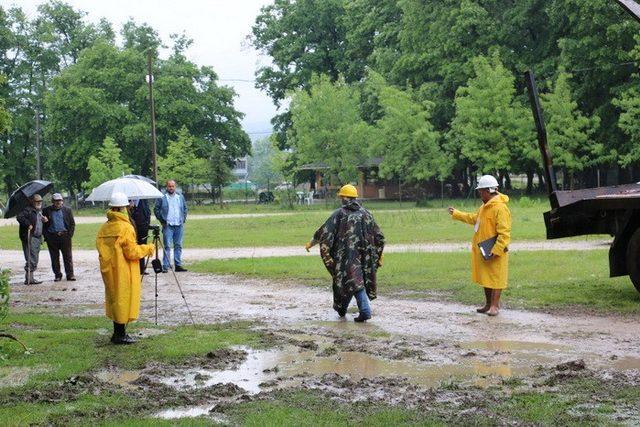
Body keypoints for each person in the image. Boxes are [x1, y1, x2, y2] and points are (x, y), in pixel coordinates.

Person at [305, 184, 385, 322]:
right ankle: (341, 309)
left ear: (345, 198)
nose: (341, 199)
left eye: (342, 197)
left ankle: (365, 311)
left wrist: (311, 243)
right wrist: (378, 254)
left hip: (346, 257)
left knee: (352, 281)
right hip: (365, 256)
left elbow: (324, 232)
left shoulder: (339, 214)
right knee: (352, 281)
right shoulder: (366, 214)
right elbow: (379, 237)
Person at [448, 175, 511, 316]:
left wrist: (496, 250)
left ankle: (495, 306)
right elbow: (474, 218)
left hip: (495, 250)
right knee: (486, 277)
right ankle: (488, 304)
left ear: (489, 190)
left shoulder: (500, 208)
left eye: (481, 191)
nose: (480, 193)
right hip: (484, 249)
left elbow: (504, 233)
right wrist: (457, 214)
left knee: (496, 278)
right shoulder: (484, 207)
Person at [96, 192, 155, 344]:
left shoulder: (104, 227)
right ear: (124, 208)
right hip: (123, 270)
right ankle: (120, 335)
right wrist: (148, 248)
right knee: (123, 299)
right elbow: (131, 252)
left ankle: (118, 332)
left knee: (115, 299)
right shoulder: (125, 227)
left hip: (109, 269)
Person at [154, 180, 188, 273]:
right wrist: (162, 220)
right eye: (169, 186)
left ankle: (178, 265)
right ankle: (166, 266)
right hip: (168, 225)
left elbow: (185, 208)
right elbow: (156, 209)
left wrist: (183, 218)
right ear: (166, 187)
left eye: (173, 186)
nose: (171, 188)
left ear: (175, 187)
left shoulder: (180, 196)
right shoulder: (162, 197)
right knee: (167, 246)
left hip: (179, 225)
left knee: (178, 245)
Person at [43, 193, 76, 281]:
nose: (58, 202)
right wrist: (47, 235)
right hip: (52, 237)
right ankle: (57, 275)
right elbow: (43, 224)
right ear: (52, 201)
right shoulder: (46, 210)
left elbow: (72, 224)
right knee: (54, 258)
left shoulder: (67, 210)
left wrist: (69, 235)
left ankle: (70, 275)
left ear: (62, 201)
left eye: (60, 200)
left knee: (68, 257)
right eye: (56, 201)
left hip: (65, 236)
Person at [16, 194, 47, 285]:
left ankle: (31, 278)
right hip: (30, 237)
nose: (39, 203)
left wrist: (44, 220)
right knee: (31, 257)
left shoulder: (39, 211)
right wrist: (28, 224)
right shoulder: (27, 210)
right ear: (32, 202)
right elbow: (19, 217)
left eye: (40, 201)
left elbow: (39, 222)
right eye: (37, 201)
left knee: (34, 258)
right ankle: (29, 279)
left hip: (38, 237)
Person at [128, 198, 151, 275]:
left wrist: (147, 223)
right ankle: (133, 268)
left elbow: (147, 212)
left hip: (143, 228)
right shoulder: (127, 199)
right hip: (131, 228)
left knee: (142, 247)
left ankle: (142, 268)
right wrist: (131, 208)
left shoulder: (143, 199)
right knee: (132, 248)